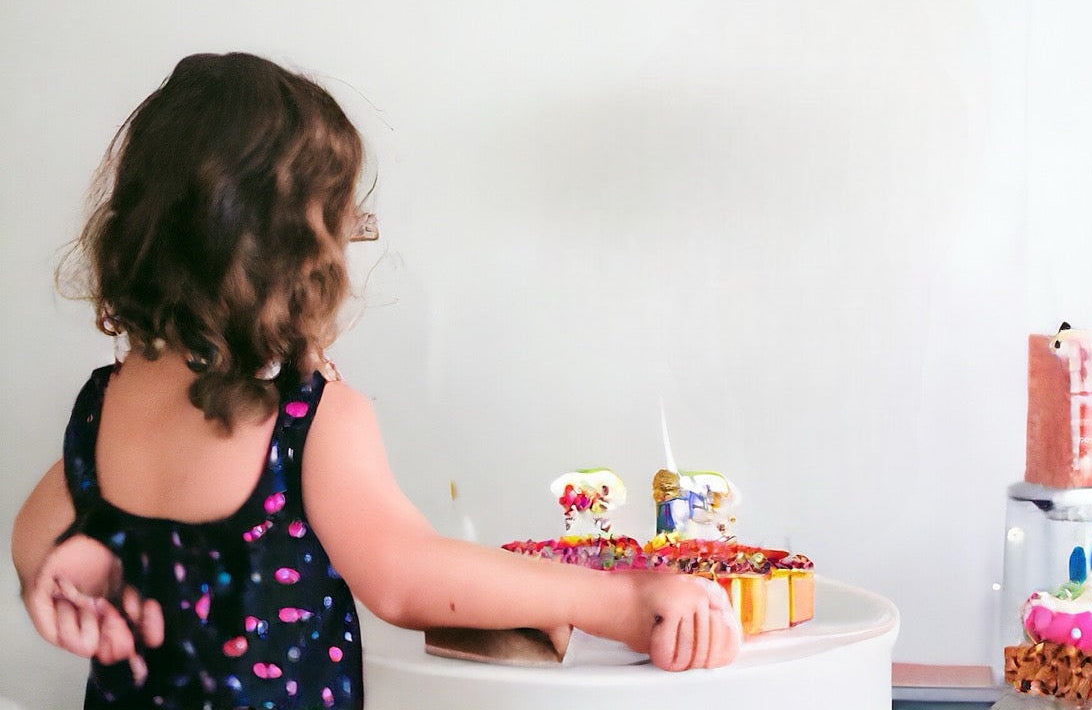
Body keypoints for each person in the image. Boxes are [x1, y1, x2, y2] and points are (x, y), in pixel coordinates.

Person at [11, 53, 741, 709]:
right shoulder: (306, 422)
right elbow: (407, 576)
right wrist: (618, 600)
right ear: (303, 259)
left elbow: (36, 543)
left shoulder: (107, 410)